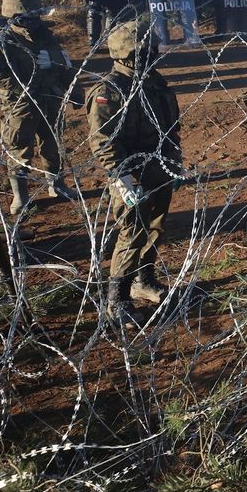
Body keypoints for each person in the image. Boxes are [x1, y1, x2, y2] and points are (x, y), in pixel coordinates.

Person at [87, 20, 182, 320]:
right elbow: (102, 140)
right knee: (132, 232)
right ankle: (117, 299)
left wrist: (174, 161)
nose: (154, 53)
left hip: (159, 168)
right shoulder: (109, 91)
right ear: (129, 54)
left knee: (155, 227)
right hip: (130, 175)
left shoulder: (155, 83)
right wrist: (121, 177)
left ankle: (142, 280)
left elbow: (171, 128)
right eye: (147, 50)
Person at [0, 0, 82, 215]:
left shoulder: (47, 36)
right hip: (19, 105)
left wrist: (74, 90)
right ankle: (20, 197)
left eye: (35, 15)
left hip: (49, 97)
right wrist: (21, 89)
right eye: (27, 16)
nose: (33, 21)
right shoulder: (1, 42)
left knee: (52, 143)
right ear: (13, 17)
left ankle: (56, 184)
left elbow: (63, 63)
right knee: (20, 149)